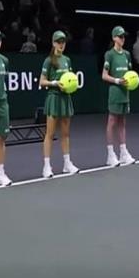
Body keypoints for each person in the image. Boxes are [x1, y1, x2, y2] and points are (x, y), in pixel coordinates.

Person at [40, 30, 79, 178]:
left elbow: (71, 79)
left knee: (65, 133)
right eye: (58, 42)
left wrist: (71, 85)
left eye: (63, 42)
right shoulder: (48, 60)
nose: (61, 44)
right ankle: (46, 166)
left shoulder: (67, 60)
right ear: (53, 43)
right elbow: (42, 82)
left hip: (65, 98)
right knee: (50, 134)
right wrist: (55, 83)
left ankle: (67, 164)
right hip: (53, 97)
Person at [102, 26, 136, 167]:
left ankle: (123, 152)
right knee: (112, 121)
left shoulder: (127, 54)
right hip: (115, 92)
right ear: (114, 38)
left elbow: (130, 74)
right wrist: (117, 81)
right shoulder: (109, 55)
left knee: (122, 122)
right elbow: (104, 76)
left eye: (123, 36)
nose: (122, 39)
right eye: (120, 36)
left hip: (125, 93)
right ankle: (110, 154)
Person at [0, 29, 12, 186]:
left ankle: (0, 173)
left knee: (1, 138)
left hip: (2, 104)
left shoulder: (4, 60)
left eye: (0, 39)